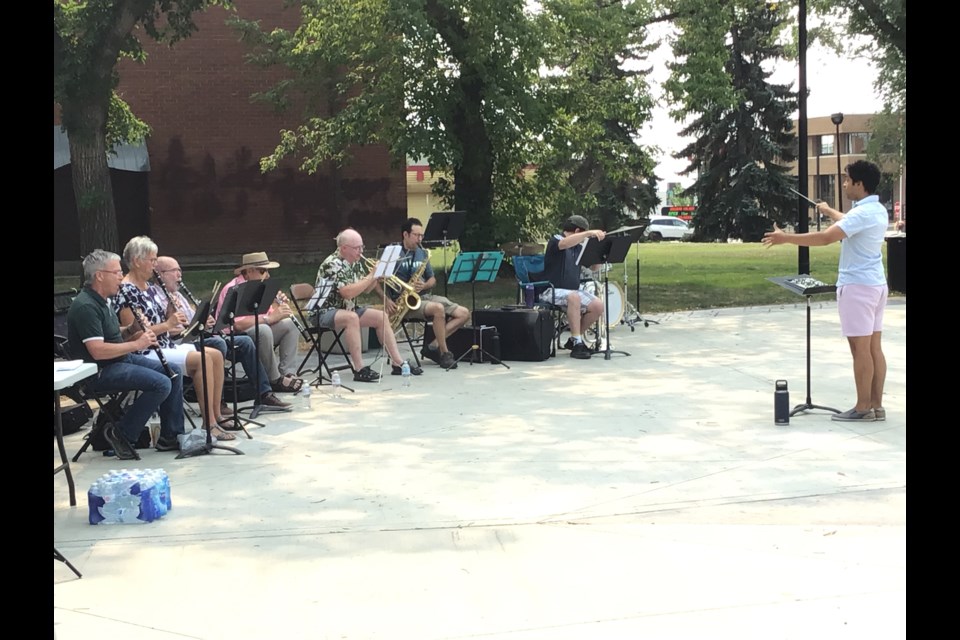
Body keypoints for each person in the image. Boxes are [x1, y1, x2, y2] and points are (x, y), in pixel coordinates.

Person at [762, 159, 888, 422]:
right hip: (876, 285)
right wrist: (830, 211)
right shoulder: (876, 210)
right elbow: (848, 222)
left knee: (860, 349)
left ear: (859, 184)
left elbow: (826, 238)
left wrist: (786, 238)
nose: (843, 184)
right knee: (874, 348)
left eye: (846, 179)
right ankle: (876, 405)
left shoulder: (861, 214)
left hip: (857, 287)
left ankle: (862, 407)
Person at [67, 249, 186, 458]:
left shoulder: (103, 300)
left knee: (173, 371)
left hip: (118, 360)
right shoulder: (86, 306)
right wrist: (137, 343)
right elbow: (98, 350)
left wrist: (131, 329)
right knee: (161, 383)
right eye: (117, 272)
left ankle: (171, 436)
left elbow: (112, 335)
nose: (121, 276)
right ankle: (122, 434)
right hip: (99, 371)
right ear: (100, 276)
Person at [116, 236, 237, 441]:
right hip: (145, 351)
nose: (155, 266)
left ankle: (215, 417)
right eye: (152, 260)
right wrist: (168, 324)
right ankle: (209, 425)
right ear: (136, 261)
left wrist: (171, 309)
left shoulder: (149, 288)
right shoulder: (126, 290)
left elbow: (161, 320)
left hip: (165, 345)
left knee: (216, 354)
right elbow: (135, 334)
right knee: (203, 360)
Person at [152, 256, 292, 412]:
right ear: (161, 274)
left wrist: (204, 321)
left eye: (180, 270)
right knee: (219, 343)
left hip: (197, 337)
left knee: (245, 342)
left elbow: (194, 321)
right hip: (178, 343)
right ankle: (219, 401)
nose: (179, 275)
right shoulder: (155, 297)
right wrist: (191, 325)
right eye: (174, 271)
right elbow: (164, 329)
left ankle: (264, 394)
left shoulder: (178, 296)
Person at [314, 228, 423, 382]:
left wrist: (377, 276)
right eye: (357, 248)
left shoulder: (355, 262)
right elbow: (347, 293)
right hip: (325, 311)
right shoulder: (333, 264)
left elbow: (366, 289)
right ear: (344, 248)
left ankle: (397, 362)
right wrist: (372, 275)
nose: (361, 251)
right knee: (352, 318)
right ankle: (359, 369)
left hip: (348, 308)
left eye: (362, 247)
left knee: (381, 316)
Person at [386, 218, 470, 369]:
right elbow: (377, 279)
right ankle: (444, 353)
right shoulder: (393, 253)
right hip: (404, 302)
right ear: (405, 234)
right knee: (438, 309)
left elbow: (432, 279)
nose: (420, 239)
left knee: (464, 313)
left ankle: (432, 346)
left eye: (421, 235)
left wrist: (424, 284)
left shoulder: (422, 252)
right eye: (416, 235)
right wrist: (386, 299)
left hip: (423, 296)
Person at [216, 252, 304, 394]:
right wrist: (270, 319)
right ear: (249, 271)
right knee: (263, 329)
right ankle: (274, 379)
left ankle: (288, 373)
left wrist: (278, 308)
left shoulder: (260, 286)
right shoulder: (233, 289)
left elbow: (268, 315)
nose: (267, 275)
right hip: (235, 338)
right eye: (263, 271)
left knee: (290, 324)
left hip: (260, 333)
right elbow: (237, 324)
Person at [541, 215, 606, 359]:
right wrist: (589, 233)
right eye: (583, 234)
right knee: (574, 297)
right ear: (577, 231)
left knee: (597, 306)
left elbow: (594, 268)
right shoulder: (556, 240)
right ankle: (578, 343)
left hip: (572, 291)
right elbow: (564, 244)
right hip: (550, 289)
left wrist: (600, 252)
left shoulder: (578, 248)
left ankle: (573, 339)